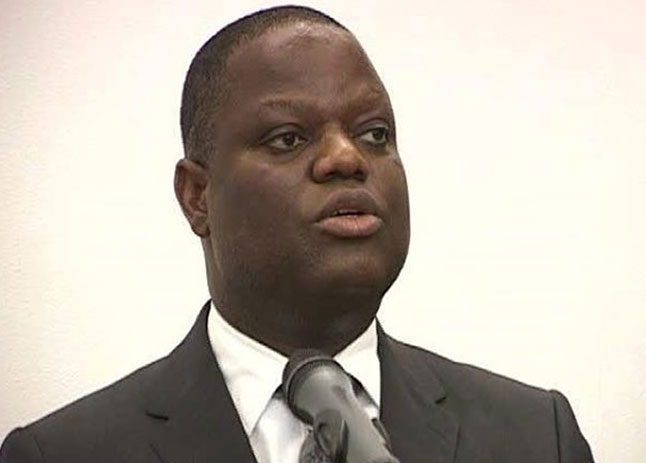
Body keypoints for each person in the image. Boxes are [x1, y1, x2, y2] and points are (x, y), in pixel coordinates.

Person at [0, 5, 594, 463]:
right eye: (288, 138)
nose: (347, 158)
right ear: (198, 197)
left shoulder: (539, 437)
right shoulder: (61, 454)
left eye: (375, 134)